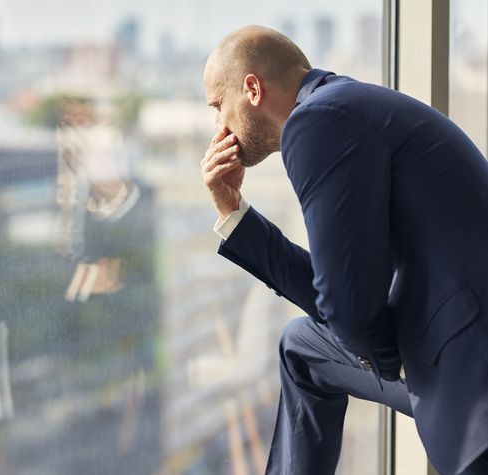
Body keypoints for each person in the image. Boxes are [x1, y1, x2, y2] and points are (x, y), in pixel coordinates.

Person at [201, 25, 488, 475]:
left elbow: (349, 314)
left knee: (335, 332)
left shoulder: (316, 122)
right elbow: (342, 294)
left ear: (252, 89)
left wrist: (389, 358)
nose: (219, 127)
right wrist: (233, 211)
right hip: (445, 337)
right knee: (301, 346)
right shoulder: (344, 105)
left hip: (471, 373)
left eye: (219, 106)